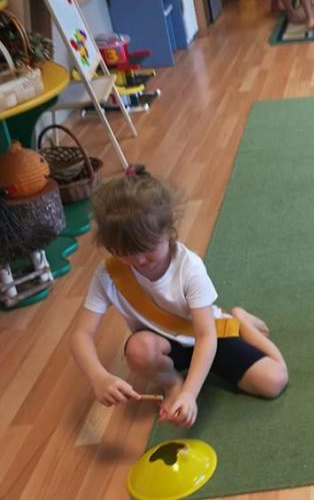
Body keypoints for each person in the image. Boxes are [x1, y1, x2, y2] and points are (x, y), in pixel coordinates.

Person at [70, 174, 287, 428]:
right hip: (166, 347)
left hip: (210, 336)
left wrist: (190, 395)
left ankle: (240, 318)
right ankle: (172, 383)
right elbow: (81, 335)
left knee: (275, 381)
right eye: (125, 252)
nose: (139, 260)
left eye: (148, 248)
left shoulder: (189, 268)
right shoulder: (108, 275)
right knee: (139, 349)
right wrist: (99, 378)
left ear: (168, 231)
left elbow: (206, 336)